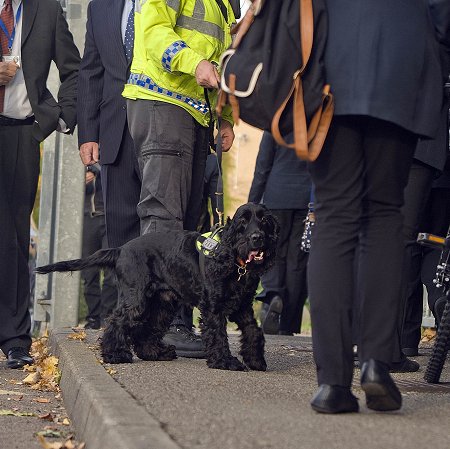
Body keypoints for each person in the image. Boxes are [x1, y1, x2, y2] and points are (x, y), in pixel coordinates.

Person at [308, 0, 446, 414]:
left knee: (334, 216)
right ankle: (375, 363)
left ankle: (331, 383)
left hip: (328, 62)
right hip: (400, 62)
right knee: (385, 215)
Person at [76, 0, 212, 357]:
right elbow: (91, 71)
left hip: (168, 117)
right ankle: (127, 327)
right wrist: (88, 132)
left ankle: (175, 324)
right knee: (121, 232)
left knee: (174, 224)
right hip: (116, 132)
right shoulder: (100, 7)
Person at [122, 0, 238, 356]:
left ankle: (169, 325)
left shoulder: (224, 6)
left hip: (195, 111)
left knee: (189, 222)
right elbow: (154, 31)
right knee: (164, 214)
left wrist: (227, 115)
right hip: (163, 100)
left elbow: (223, 62)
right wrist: (194, 62)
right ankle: (161, 326)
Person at [0, 0, 80, 369]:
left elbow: (73, 69)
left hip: (21, 135)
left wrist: (63, 115)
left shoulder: (46, 9)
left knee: (15, 238)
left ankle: (15, 339)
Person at [248, 132, 311, 336]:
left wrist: (252, 203)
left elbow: (263, 166)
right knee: (297, 260)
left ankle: (273, 296)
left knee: (272, 251)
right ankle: (289, 323)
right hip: (306, 198)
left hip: (276, 197)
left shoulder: (276, 120)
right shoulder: (318, 117)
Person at [81, 165, 118, 329]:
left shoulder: (113, 152)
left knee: (111, 271)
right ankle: (93, 317)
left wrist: (97, 170)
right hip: (88, 217)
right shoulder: (81, 159)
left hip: (111, 217)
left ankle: (107, 316)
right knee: (89, 272)